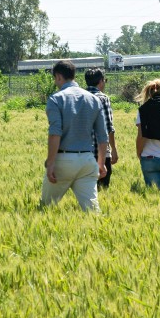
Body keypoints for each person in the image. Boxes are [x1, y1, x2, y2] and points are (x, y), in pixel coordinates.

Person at [41, 60, 108, 212]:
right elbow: (102, 136)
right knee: (92, 211)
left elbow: (55, 133)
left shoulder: (56, 99)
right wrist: (101, 162)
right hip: (87, 161)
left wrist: (51, 162)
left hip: (63, 161)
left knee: (46, 209)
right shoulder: (94, 99)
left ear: (58, 77)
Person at [84, 68, 117, 189]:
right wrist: (113, 149)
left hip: (81, 153)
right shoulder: (102, 98)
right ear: (101, 81)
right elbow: (108, 126)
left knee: (86, 190)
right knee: (102, 188)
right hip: (100, 153)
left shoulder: (79, 97)